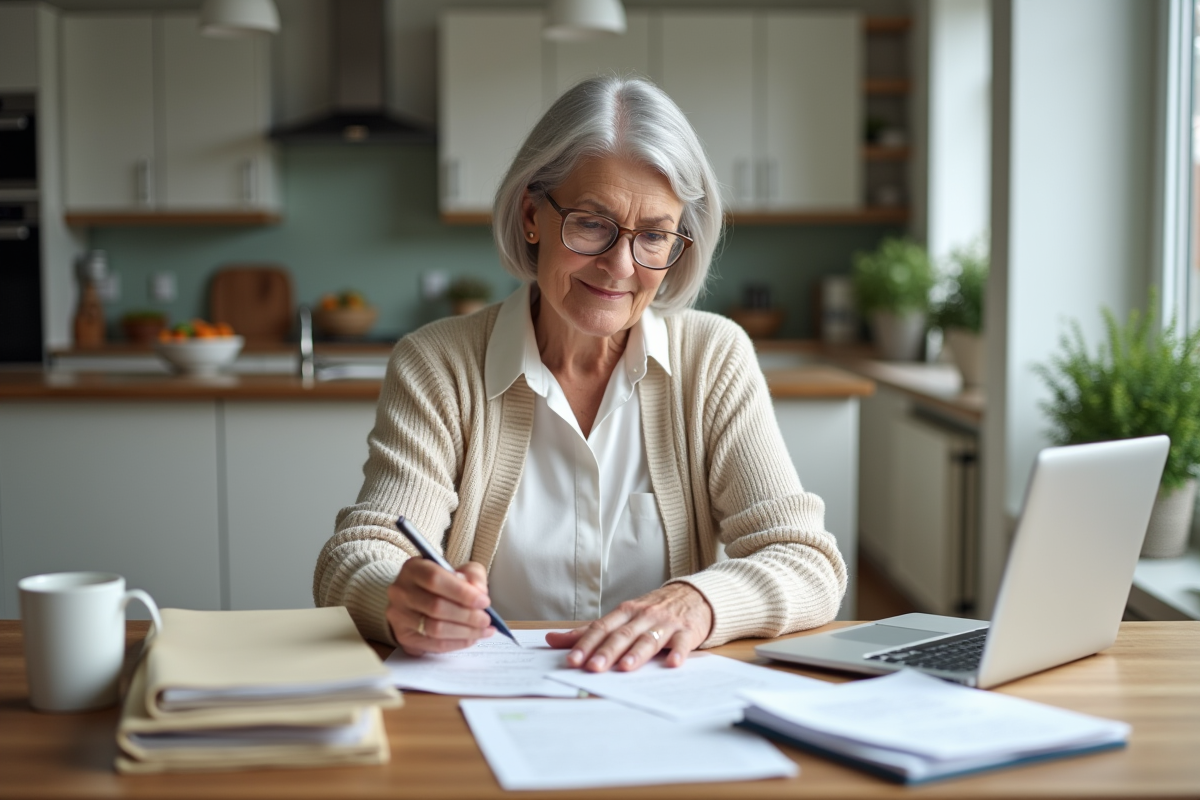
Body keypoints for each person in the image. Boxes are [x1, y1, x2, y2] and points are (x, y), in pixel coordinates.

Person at [313, 76, 846, 673]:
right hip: (484, 702)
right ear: (532, 214)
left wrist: (696, 601)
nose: (620, 266)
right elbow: (354, 556)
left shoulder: (714, 357)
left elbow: (807, 562)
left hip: (660, 707)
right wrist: (398, 596)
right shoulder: (438, 363)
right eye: (592, 223)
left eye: (653, 235)